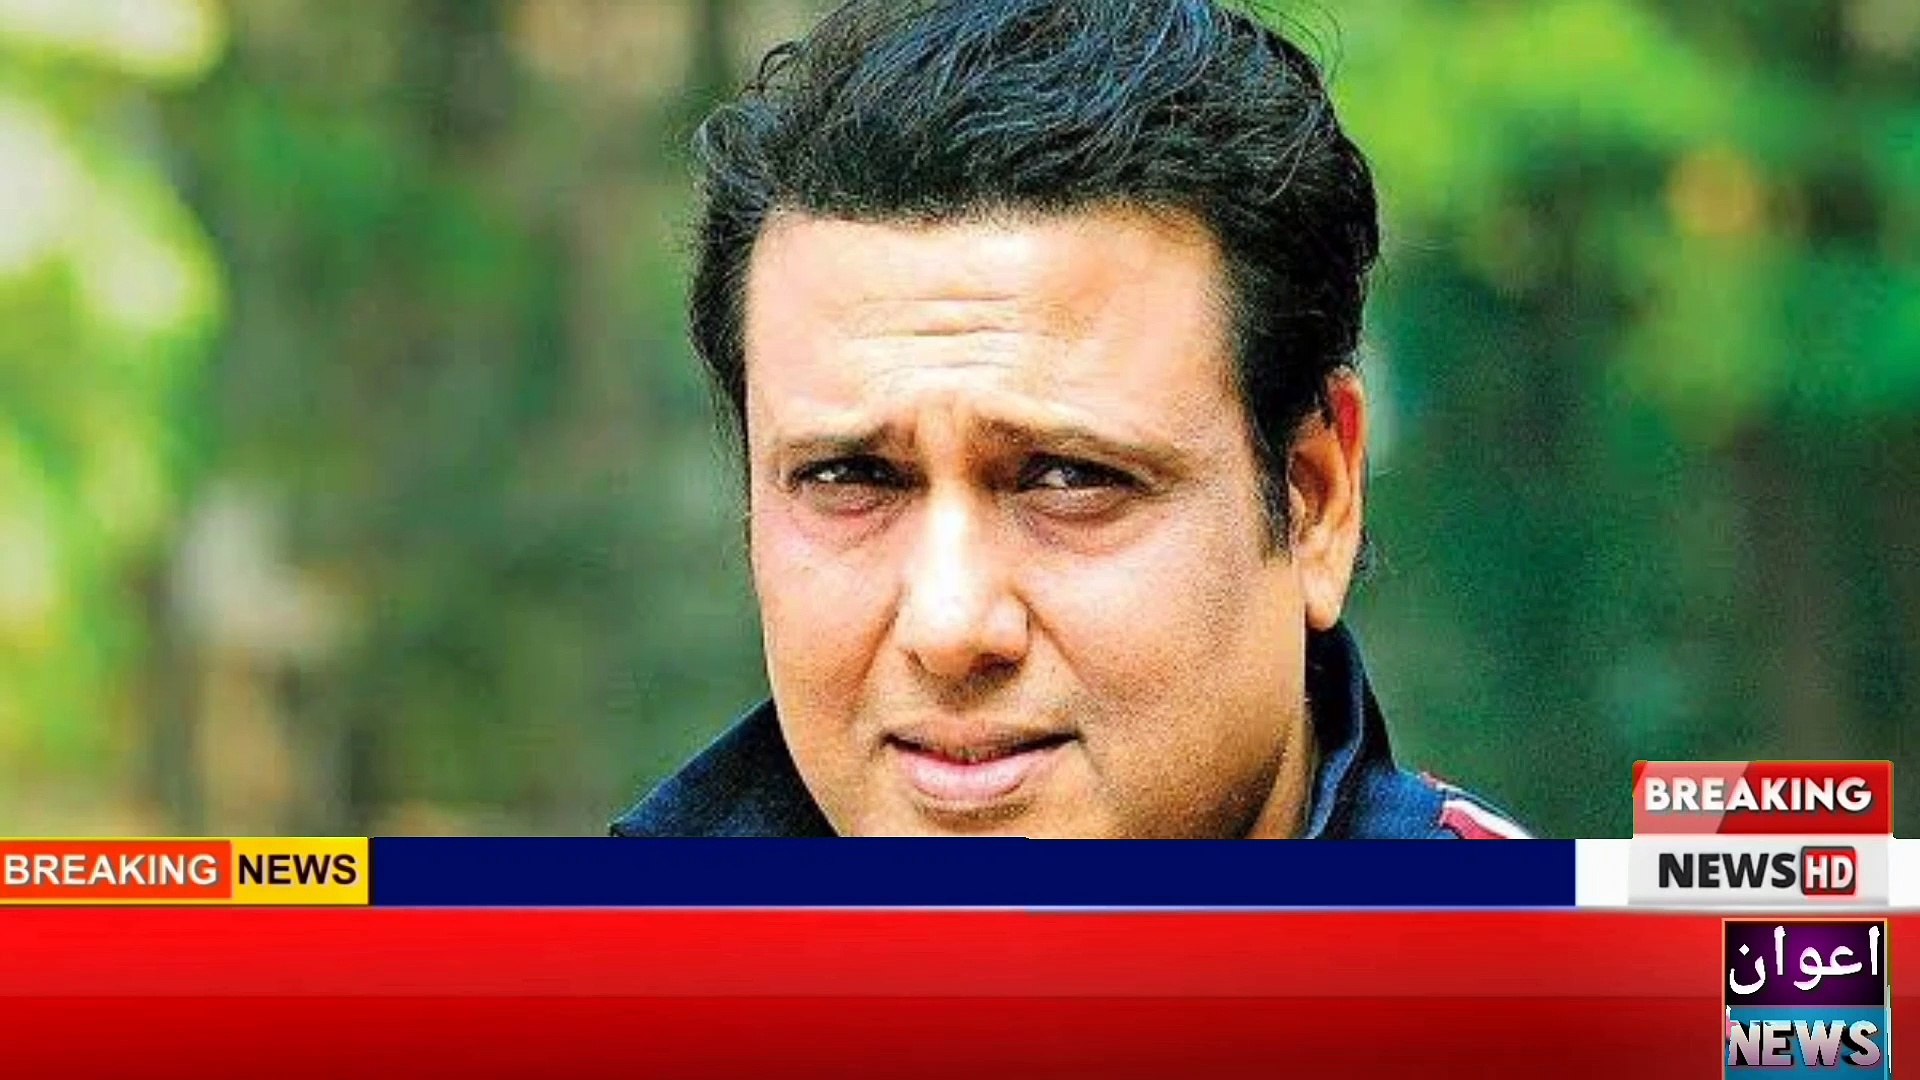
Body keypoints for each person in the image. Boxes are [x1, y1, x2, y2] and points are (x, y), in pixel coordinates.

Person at [612, 0, 1530, 839]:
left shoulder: (1545, 962)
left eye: (1069, 478)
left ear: (1312, 500)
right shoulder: (603, 960)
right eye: (850, 477)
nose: (950, 625)